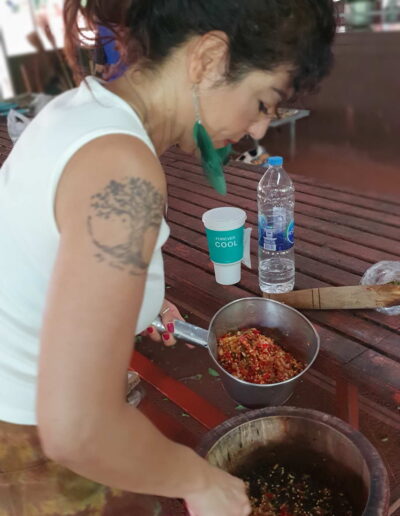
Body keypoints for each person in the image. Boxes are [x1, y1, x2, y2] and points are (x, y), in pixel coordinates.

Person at [0, 1, 336, 515]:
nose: (258, 130)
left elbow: (45, 263)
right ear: (209, 58)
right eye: (263, 102)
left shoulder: (79, 112)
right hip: (28, 447)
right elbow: (78, 430)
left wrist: (140, 304)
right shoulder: (123, 169)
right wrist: (199, 480)